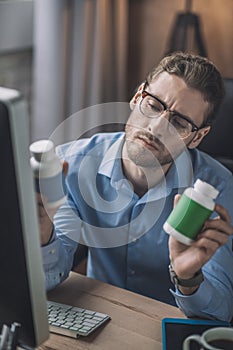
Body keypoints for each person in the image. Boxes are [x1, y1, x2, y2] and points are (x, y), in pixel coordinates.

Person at [40, 52, 233, 322]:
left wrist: (188, 278)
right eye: (154, 105)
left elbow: (221, 314)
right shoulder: (72, 165)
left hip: (167, 327)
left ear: (197, 136)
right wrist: (41, 232)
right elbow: (49, 278)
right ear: (137, 96)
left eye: (179, 122)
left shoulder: (220, 192)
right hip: (98, 319)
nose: (156, 127)